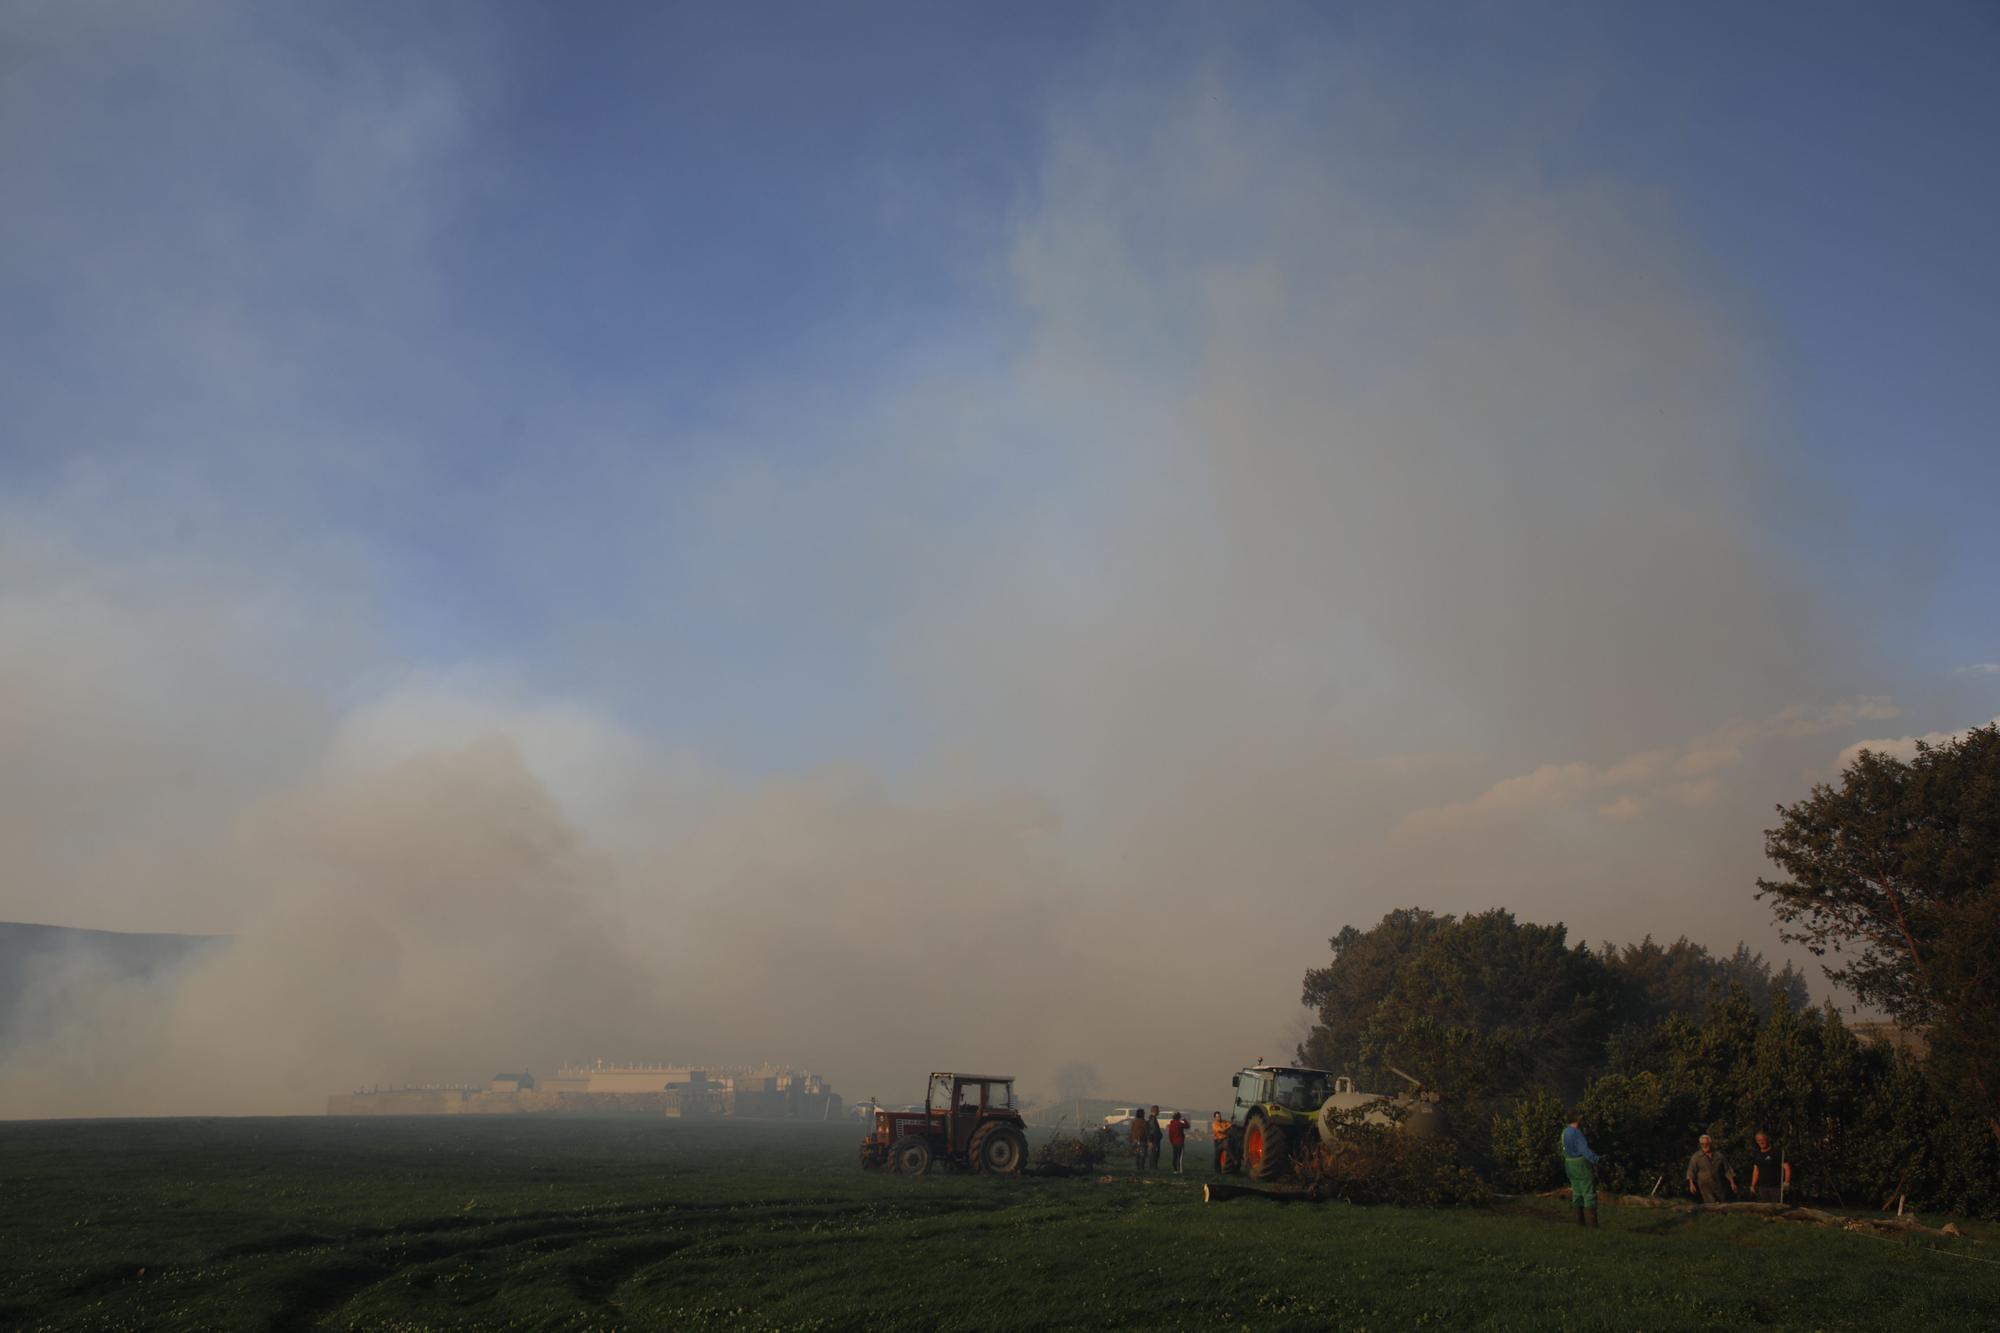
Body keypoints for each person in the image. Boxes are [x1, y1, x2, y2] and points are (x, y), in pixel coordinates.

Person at [1560, 1110, 1601, 1228]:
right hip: (1581, 1166)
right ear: (1578, 1120)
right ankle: (1593, 1226)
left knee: (1577, 1193)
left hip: (1570, 1165)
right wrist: (1596, 1159)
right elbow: (1585, 1150)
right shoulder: (1577, 1133)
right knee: (1589, 1194)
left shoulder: (1564, 1132)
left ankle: (1580, 1224)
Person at [1686, 1133, 1736, 1205]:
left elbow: (1727, 1169)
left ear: (1710, 1143)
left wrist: (1732, 1183)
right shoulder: (1696, 1157)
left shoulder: (1719, 1156)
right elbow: (1691, 1171)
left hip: (1719, 1184)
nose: (1705, 1145)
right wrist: (1691, 1184)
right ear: (1700, 1145)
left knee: (1723, 1204)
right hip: (1705, 1186)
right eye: (1702, 1144)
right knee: (1710, 1205)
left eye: (1707, 1143)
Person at [1748, 1130, 1790, 1203]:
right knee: (1765, 1210)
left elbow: (1787, 1168)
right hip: (1762, 1187)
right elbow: (1756, 1171)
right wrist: (1753, 1185)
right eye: (1759, 1140)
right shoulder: (1757, 1155)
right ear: (1757, 1142)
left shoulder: (1776, 1152)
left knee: (1777, 1210)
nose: (1761, 1142)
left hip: (1776, 1187)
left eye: (1763, 1140)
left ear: (1767, 1139)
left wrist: (1786, 1182)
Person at [1129, 1109, 1150, 1174]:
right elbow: (1147, 1132)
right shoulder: (1144, 1122)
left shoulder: (1134, 1122)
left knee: (1137, 1155)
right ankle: (1141, 1169)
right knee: (1142, 1156)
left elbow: (1132, 1131)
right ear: (1142, 1114)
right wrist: (1149, 1141)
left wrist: (1132, 1139)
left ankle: (1137, 1168)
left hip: (1135, 1140)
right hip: (1142, 1140)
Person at [1146, 1106, 1164, 1171]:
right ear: (1155, 1111)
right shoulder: (1153, 1119)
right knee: (1154, 1155)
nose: (1159, 1112)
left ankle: (1153, 1168)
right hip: (1154, 1141)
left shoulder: (1152, 1118)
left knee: (1153, 1155)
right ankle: (1153, 1169)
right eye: (1158, 1110)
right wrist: (1151, 1141)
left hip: (1153, 1140)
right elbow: (1153, 1131)